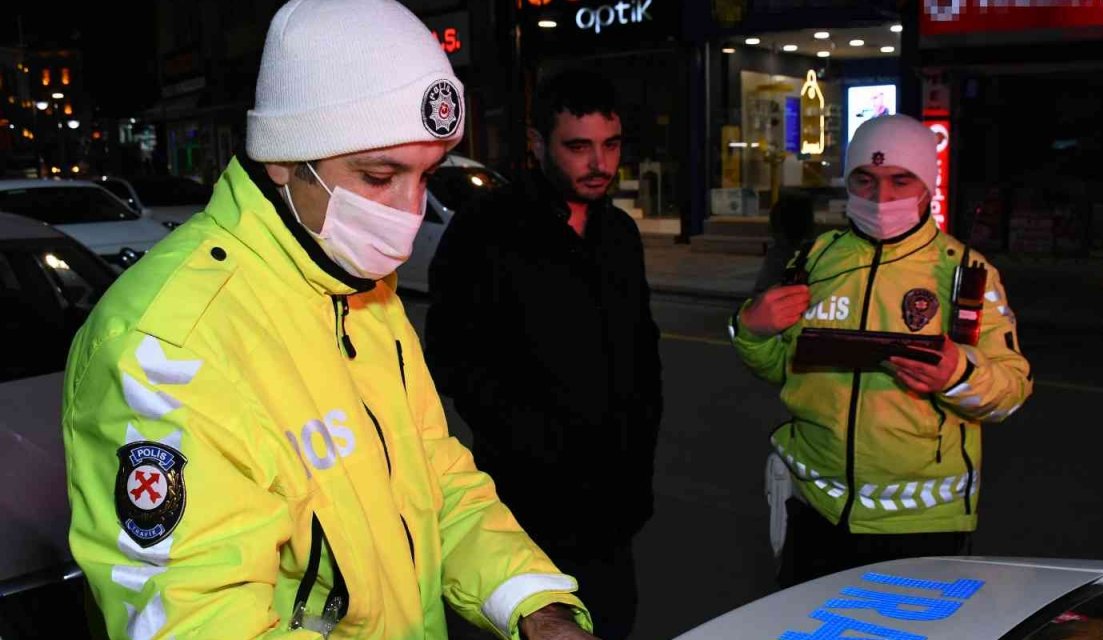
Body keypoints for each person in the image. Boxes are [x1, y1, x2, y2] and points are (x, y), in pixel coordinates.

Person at [61, 1, 597, 638]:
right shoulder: (165, 345)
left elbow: (434, 479)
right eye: (379, 176)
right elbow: (199, 621)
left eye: (426, 176)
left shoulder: (357, 289)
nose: (408, 214)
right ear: (284, 161)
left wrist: (537, 608)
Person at [731, 114, 1033, 587]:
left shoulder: (966, 272)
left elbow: (1011, 390)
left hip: (919, 526)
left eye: (899, 180)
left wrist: (958, 375)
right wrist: (752, 331)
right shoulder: (814, 259)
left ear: (926, 186)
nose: (880, 198)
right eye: (865, 180)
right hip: (813, 510)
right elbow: (779, 370)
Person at [424, 69, 662, 640]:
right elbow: (454, 356)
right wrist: (530, 441)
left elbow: (643, 354)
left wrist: (637, 456)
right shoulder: (486, 229)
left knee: (612, 624)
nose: (599, 163)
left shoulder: (620, 234)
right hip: (525, 514)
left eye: (610, 145)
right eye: (578, 147)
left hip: (614, 516)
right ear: (537, 144)